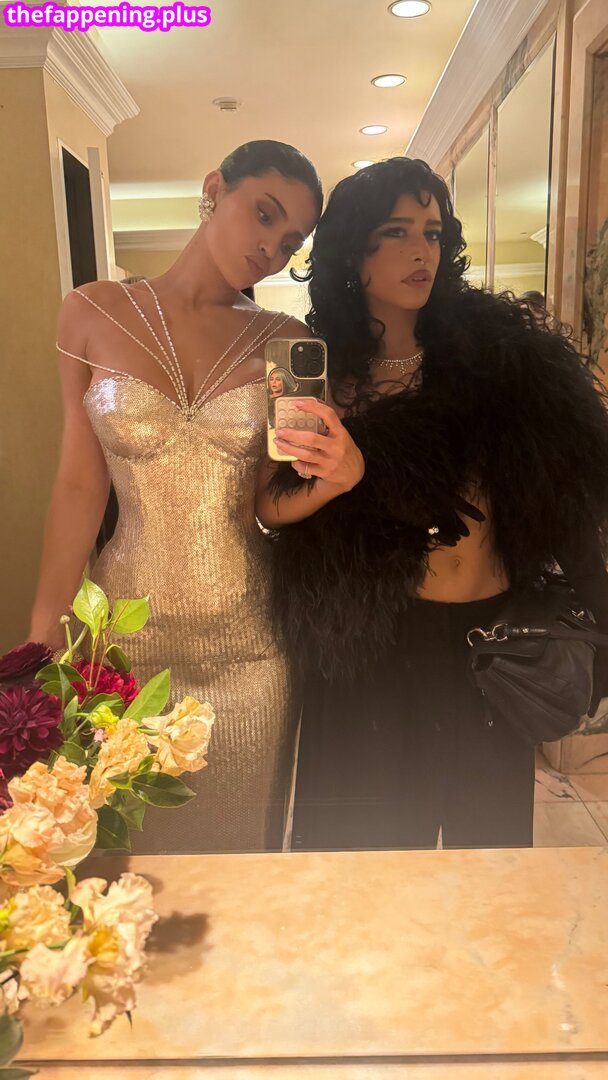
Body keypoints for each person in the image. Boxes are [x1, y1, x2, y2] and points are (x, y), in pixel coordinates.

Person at [255, 157, 608, 852]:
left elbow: (562, 494)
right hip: (372, 654)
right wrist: (341, 473)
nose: (421, 250)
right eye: (396, 232)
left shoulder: (499, 357)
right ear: (353, 252)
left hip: (488, 643)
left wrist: (599, 610)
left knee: (487, 862)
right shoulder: (325, 378)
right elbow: (274, 507)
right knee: (368, 860)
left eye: (433, 232)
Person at [29, 140, 322, 854]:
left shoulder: (289, 344)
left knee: (239, 857)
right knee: (120, 855)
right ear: (214, 188)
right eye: (264, 214)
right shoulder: (91, 311)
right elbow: (80, 483)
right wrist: (43, 629)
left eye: (291, 241)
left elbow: (270, 503)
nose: (272, 248)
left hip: (250, 647)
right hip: (121, 642)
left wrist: (334, 478)